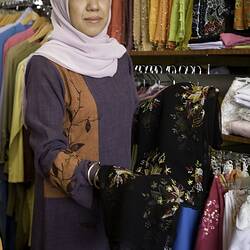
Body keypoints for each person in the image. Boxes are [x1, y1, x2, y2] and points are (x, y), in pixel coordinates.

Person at [25, 0, 138, 249]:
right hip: (70, 218)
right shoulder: (45, 65)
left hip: (119, 210)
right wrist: (97, 175)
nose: (94, 6)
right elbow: (47, 151)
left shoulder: (119, 59)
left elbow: (131, 125)